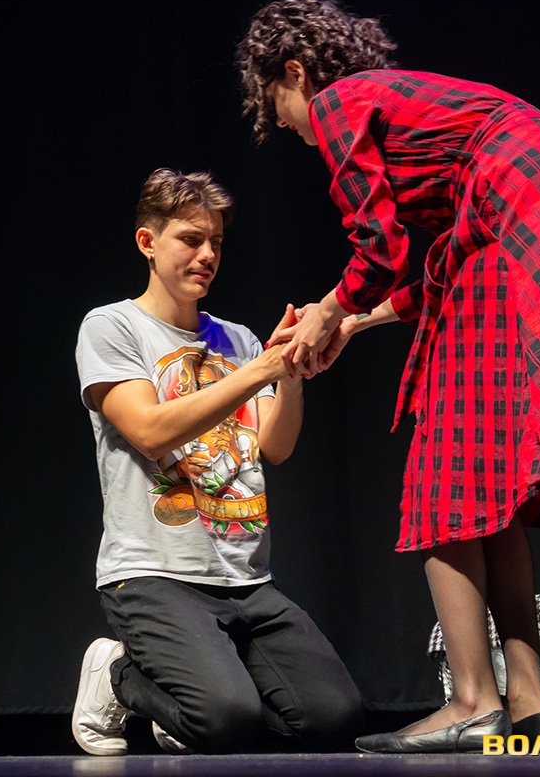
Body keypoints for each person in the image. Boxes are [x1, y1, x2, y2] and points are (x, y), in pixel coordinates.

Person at [236, 0, 540, 754]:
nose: (286, 125)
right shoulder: (431, 121)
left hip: (529, 210)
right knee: (487, 481)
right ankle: (529, 700)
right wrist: (354, 322)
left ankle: (472, 700)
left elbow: (380, 244)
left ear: (293, 72)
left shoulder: (339, 102)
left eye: (275, 104)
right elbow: (446, 262)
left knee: (444, 477)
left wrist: (328, 308)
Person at [70, 167, 364, 756]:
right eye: (190, 239)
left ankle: (187, 705)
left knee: (334, 716)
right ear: (148, 242)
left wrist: (291, 372)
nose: (207, 255)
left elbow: (275, 447)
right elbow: (149, 431)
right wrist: (261, 371)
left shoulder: (239, 340)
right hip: (153, 575)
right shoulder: (112, 326)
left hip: (245, 578)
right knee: (225, 719)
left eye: (217, 243)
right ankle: (117, 676)